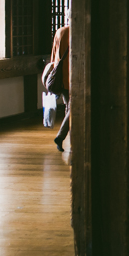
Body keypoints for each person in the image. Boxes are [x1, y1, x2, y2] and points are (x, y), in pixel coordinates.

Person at [51, 10, 70, 152]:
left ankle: (68, 139)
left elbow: (54, 56)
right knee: (73, 109)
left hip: (61, 77)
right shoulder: (79, 32)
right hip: (73, 77)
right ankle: (61, 136)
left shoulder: (60, 32)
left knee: (69, 108)